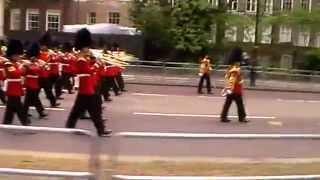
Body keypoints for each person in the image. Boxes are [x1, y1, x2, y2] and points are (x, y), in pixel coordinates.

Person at [65, 28, 112, 137]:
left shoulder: (84, 58)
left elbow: (90, 69)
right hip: (86, 86)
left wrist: (95, 61)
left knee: (77, 109)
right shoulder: (81, 59)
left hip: (87, 86)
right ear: (83, 47)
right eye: (87, 47)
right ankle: (101, 130)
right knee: (93, 110)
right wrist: (97, 64)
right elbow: (87, 71)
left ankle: (69, 126)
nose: (88, 49)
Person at [2, 39, 30, 126]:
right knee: (18, 106)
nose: (18, 57)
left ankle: (7, 122)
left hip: (16, 87)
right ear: (12, 55)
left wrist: (26, 67)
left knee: (11, 106)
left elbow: (23, 73)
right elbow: (15, 73)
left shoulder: (16, 63)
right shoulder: (8, 63)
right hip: (12, 87)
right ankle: (25, 122)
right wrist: (23, 65)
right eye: (17, 55)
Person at [220, 47, 248, 123]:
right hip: (235, 89)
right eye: (238, 62)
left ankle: (223, 117)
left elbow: (227, 78)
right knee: (240, 104)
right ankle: (242, 118)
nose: (239, 63)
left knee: (228, 104)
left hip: (231, 89)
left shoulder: (231, 67)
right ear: (236, 61)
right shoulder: (235, 69)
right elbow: (233, 80)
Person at [23, 43, 48, 119]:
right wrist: (40, 66)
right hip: (30, 83)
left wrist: (42, 65)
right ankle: (41, 112)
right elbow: (33, 71)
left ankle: (24, 112)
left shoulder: (35, 63)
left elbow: (40, 71)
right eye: (34, 57)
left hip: (35, 83)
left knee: (29, 99)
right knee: (34, 98)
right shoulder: (27, 63)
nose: (35, 58)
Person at [38, 32, 60, 107]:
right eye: (43, 45)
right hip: (39, 75)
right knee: (35, 92)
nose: (43, 47)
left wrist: (52, 56)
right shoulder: (38, 53)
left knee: (48, 90)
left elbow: (54, 60)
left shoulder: (50, 53)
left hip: (45, 75)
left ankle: (53, 103)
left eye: (45, 46)